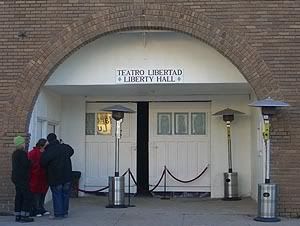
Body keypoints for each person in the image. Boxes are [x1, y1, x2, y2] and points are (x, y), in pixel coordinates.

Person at [40, 133, 74, 219]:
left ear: (48, 141)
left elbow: (43, 162)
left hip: (55, 176)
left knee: (57, 194)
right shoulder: (64, 148)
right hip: (67, 176)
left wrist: (44, 149)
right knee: (65, 194)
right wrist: (63, 143)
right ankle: (65, 212)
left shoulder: (49, 150)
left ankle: (59, 214)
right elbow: (71, 150)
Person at [11, 136, 34, 223]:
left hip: (16, 177)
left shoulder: (14, 153)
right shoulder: (22, 153)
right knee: (27, 196)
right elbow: (26, 164)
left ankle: (18, 215)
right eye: (23, 142)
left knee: (19, 196)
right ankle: (25, 215)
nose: (24, 144)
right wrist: (30, 162)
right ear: (21, 144)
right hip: (23, 178)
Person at [28, 138, 50, 217]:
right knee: (36, 194)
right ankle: (36, 209)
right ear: (42, 146)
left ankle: (41, 208)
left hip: (44, 177)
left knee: (42, 194)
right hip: (35, 176)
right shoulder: (32, 153)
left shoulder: (46, 153)